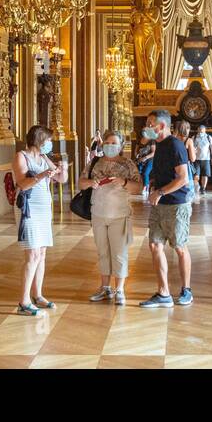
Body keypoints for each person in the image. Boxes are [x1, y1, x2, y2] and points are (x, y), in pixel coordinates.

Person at [78, 129, 142, 305]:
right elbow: (81, 183)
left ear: (121, 146)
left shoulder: (127, 164)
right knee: (103, 252)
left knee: (119, 253)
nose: (110, 146)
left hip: (119, 215)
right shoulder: (95, 163)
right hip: (98, 213)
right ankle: (105, 288)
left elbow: (138, 188)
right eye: (107, 143)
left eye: (114, 143)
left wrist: (124, 182)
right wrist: (91, 183)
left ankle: (119, 289)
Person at [140, 110, 194, 308]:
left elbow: (183, 178)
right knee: (155, 245)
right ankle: (163, 293)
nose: (147, 127)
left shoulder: (175, 145)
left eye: (150, 123)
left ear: (161, 126)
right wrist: (154, 183)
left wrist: (160, 192)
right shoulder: (160, 145)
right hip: (159, 203)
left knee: (179, 247)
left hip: (176, 205)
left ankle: (186, 289)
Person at [13, 124, 68, 316]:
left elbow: (61, 180)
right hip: (28, 208)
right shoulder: (22, 156)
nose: (50, 144)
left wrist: (63, 168)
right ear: (39, 140)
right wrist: (42, 175)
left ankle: (38, 294)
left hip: (44, 208)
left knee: (42, 253)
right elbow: (22, 183)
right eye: (48, 141)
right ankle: (24, 301)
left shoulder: (44, 157)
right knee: (32, 255)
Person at [191, 125, 212, 197]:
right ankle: (196, 188)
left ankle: (203, 188)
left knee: (205, 175)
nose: (200, 131)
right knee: (196, 175)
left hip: (206, 159)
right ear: (197, 130)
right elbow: (191, 147)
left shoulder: (208, 137)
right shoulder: (194, 137)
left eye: (202, 129)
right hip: (196, 159)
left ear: (205, 130)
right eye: (199, 129)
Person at [135, 126, 157, 196]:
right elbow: (136, 150)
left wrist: (145, 157)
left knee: (145, 173)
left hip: (150, 159)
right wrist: (136, 155)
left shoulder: (151, 141)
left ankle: (146, 188)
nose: (144, 132)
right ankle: (142, 186)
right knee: (139, 173)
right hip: (141, 159)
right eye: (143, 131)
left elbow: (154, 152)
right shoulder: (139, 140)